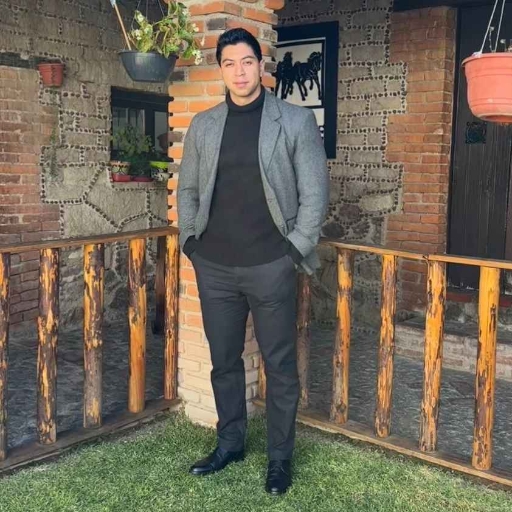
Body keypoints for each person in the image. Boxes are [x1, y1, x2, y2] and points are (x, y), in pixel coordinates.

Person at [177, 28, 329, 495]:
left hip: (271, 265)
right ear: (221, 69)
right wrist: (190, 243)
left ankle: (279, 458)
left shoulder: (295, 121)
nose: (239, 72)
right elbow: (188, 189)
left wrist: (292, 252)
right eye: (229, 63)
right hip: (215, 267)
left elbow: (315, 195)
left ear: (261, 66)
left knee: (279, 365)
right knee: (224, 361)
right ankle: (230, 443)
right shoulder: (204, 125)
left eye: (247, 62)